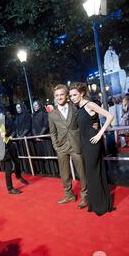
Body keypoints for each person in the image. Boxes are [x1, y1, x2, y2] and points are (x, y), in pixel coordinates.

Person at [69, 82, 114, 216]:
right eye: (70, 95)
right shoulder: (79, 107)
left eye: (74, 95)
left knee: (92, 172)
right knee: (92, 173)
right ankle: (97, 203)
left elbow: (110, 116)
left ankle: (99, 205)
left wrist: (100, 133)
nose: (72, 97)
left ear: (82, 93)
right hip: (85, 143)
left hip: (93, 143)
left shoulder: (89, 104)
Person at [48, 84, 88, 209]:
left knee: (82, 173)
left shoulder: (75, 108)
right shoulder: (52, 114)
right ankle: (69, 195)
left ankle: (85, 196)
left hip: (76, 144)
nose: (59, 97)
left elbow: (84, 123)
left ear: (66, 95)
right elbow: (52, 132)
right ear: (54, 97)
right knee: (64, 174)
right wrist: (56, 146)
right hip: (61, 147)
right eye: (57, 95)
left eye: (61, 94)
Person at [0, 108, 28, 194]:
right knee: (9, 168)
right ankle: (10, 188)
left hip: (9, 144)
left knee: (17, 162)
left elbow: (9, 129)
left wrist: (6, 134)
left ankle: (18, 176)